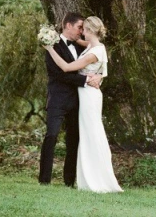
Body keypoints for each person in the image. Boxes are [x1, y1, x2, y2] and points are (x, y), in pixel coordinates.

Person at [45, 15, 122, 193]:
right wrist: (97, 77)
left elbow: (66, 68)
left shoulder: (94, 50)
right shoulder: (93, 46)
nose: (80, 32)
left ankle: (92, 178)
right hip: (77, 95)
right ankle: (61, 178)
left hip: (86, 97)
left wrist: (49, 48)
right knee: (79, 135)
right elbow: (100, 66)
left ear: (89, 31)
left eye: (83, 29)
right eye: (79, 28)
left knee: (88, 135)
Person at [38, 12, 102, 187]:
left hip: (78, 99)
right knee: (51, 135)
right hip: (58, 98)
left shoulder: (82, 47)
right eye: (79, 27)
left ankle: (69, 180)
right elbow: (58, 74)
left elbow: (96, 61)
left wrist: (99, 77)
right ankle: (44, 179)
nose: (81, 31)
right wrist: (86, 80)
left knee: (73, 140)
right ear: (68, 25)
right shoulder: (51, 46)